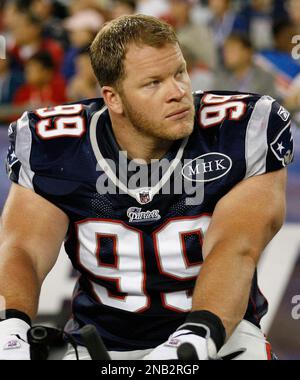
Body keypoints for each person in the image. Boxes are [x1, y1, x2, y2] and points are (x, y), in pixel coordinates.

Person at [0, 14, 294, 360]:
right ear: (114, 98)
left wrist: (198, 335)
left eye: (179, 72)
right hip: (101, 341)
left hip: (220, 330)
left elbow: (236, 247)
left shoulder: (239, 130)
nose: (178, 92)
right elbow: (23, 249)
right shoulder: (55, 144)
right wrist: (11, 327)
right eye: (153, 83)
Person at [213, 33, 276, 97]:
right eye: (225, 51)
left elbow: (270, 105)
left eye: (231, 50)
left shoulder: (265, 79)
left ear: (247, 53)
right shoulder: (220, 77)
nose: (226, 55)